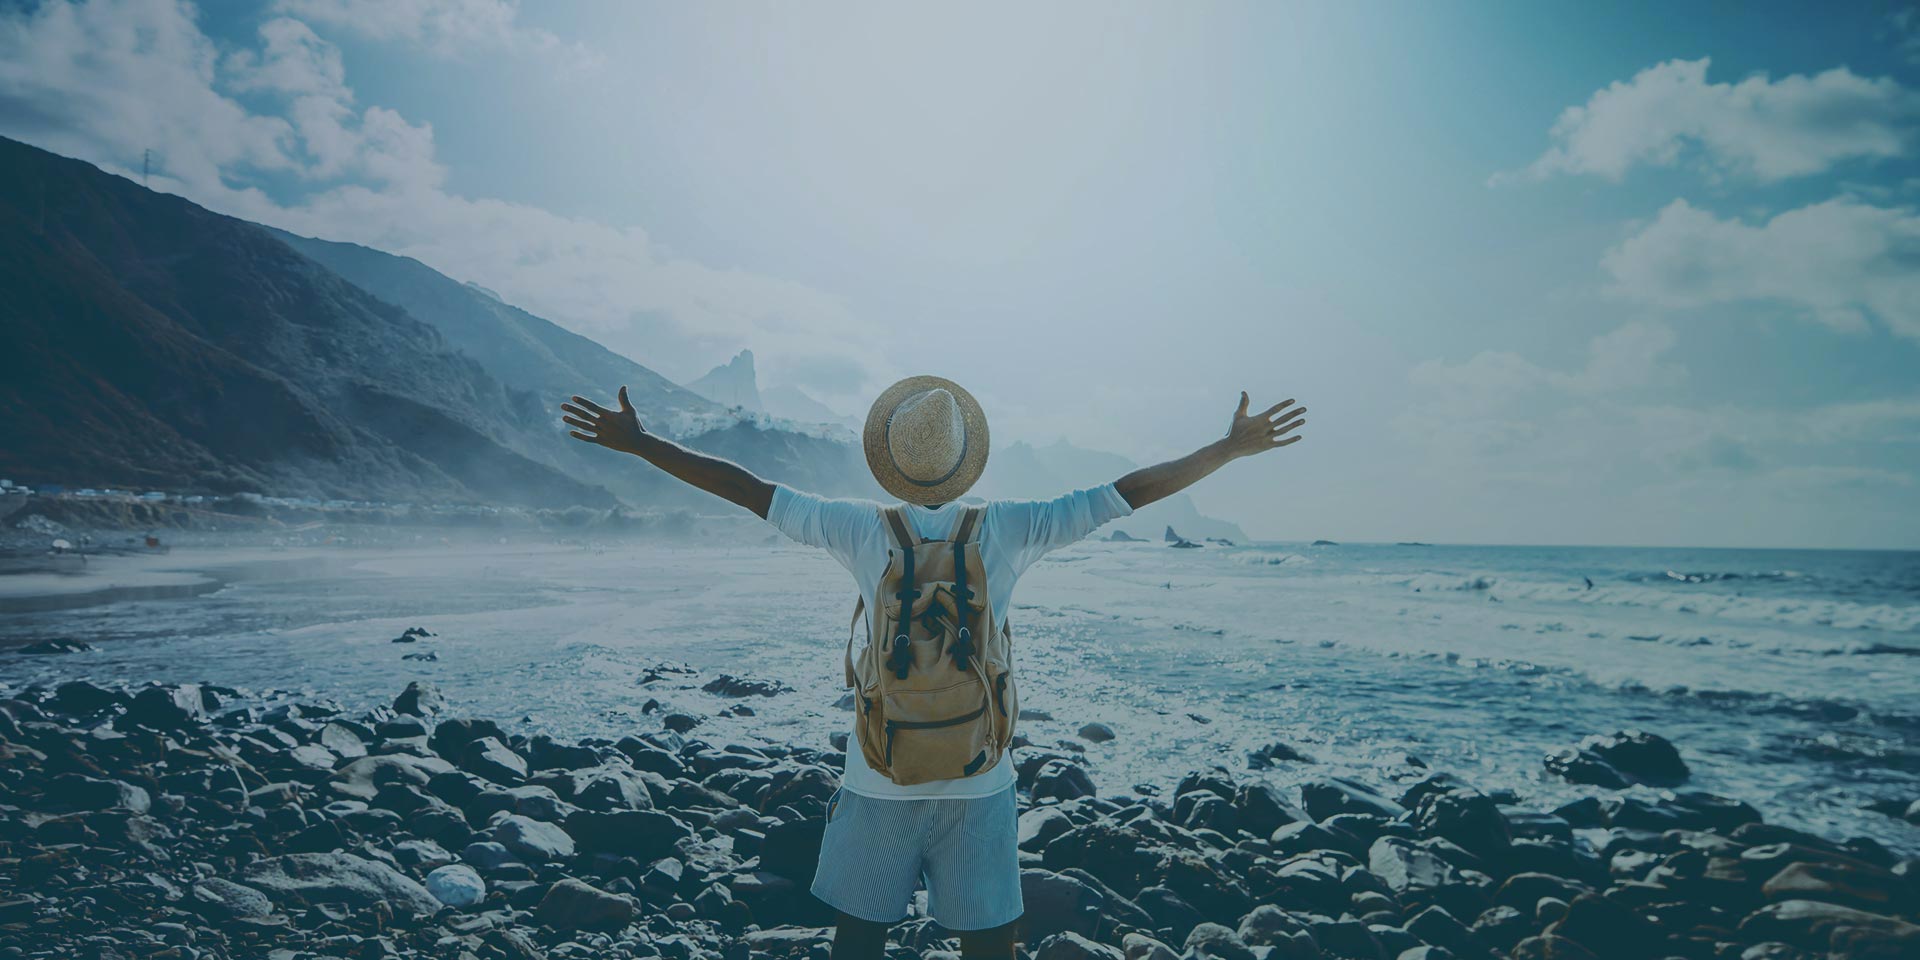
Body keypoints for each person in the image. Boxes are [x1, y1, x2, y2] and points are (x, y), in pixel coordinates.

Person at [560, 376, 1306, 960]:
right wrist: (1226, 447)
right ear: (962, 458)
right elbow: (1127, 494)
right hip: (981, 775)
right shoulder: (1012, 526)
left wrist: (645, 443)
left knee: (859, 942)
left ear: (894, 466)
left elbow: (745, 488)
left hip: (876, 773)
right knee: (988, 947)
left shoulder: (858, 527)